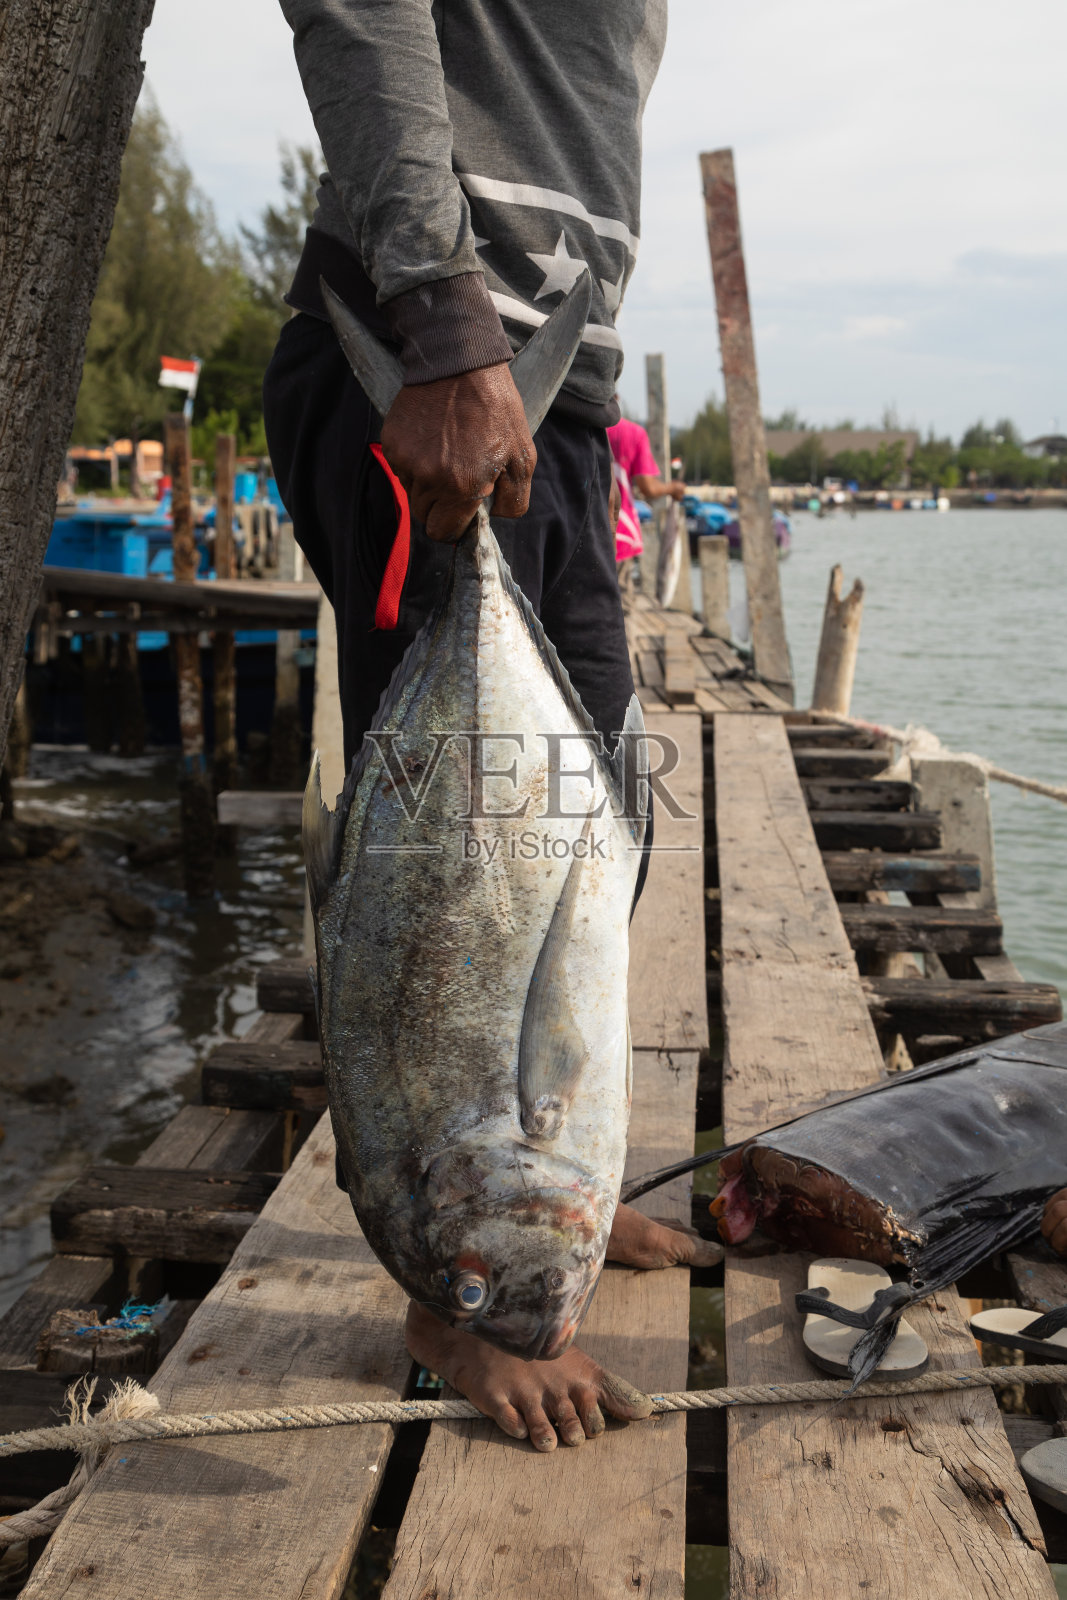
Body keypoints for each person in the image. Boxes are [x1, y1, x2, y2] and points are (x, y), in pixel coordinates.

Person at [265, 0, 719, 1452]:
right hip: (442, 361)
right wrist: (441, 315)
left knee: (597, 832)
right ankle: (453, 1306)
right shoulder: (445, 346)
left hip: (551, 387)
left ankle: (553, 1189)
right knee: (455, 897)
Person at [606, 411, 686, 565]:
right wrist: (673, 489)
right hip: (622, 534)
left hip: (584, 534)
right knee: (620, 588)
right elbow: (648, 488)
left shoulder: (579, 426)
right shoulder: (633, 432)